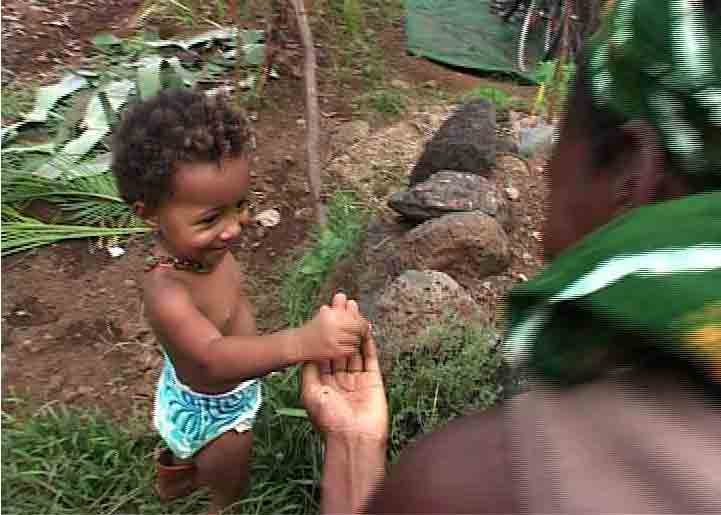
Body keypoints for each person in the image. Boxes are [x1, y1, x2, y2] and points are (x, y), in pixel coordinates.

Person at [301, 0, 721, 512]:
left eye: (557, 153)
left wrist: (359, 459)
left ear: (635, 175)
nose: (546, 175)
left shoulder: (480, 484)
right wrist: (356, 443)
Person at [111, 90, 368, 514]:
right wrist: (302, 343)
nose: (234, 228)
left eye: (240, 205)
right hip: (216, 411)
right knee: (231, 479)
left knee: (187, 450)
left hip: (213, 389)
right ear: (149, 213)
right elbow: (212, 358)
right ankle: (217, 500)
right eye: (212, 218)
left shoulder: (203, 251)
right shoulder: (167, 291)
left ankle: (175, 476)